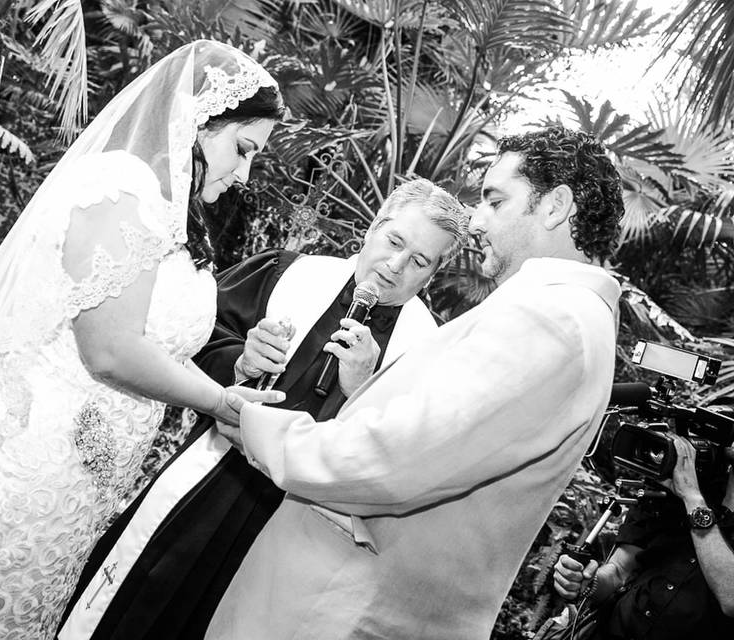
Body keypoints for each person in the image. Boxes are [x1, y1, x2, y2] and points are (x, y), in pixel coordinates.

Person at [0, 41, 285, 640]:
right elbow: (110, 350)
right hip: (29, 468)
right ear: (201, 120)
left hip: (74, 488)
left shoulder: (172, 213)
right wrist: (220, 402)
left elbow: (158, 341)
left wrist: (236, 367)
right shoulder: (123, 191)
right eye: (242, 148)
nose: (243, 172)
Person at [207, 126, 624, 640]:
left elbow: (396, 459)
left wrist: (255, 426)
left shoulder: (554, 322)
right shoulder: (563, 316)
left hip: (346, 607)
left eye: (495, 200)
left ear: (556, 206)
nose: (477, 220)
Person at [58, 178, 470, 640]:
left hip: (295, 530)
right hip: (212, 480)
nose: (395, 266)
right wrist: (239, 360)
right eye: (394, 241)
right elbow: (186, 339)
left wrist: (362, 392)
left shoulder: (425, 351)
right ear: (373, 227)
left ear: (431, 275)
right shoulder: (286, 273)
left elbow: (397, 461)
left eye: (418, 261)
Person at [553, 436, 734, 639]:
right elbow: (618, 572)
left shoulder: (689, 493)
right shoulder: (676, 491)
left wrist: (692, 499)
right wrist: (586, 582)